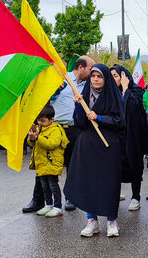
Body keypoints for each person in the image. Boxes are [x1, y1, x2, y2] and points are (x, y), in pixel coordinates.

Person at [22, 56, 94, 213]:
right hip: (52, 128)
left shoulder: (88, 85)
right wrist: (54, 90)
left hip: (74, 129)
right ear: (81, 67)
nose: (92, 73)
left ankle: (70, 198)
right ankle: (38, 200)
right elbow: (43, 97)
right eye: (90, 69)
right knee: (44, 163)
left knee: (72, 164)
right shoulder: (60, 78)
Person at [65, 64, 126, 237]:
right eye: (93, 76)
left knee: (109, 183)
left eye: (100, 76)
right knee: (88, 183)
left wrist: (98, 117)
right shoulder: (84, 96)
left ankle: (111, 220)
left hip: (108, 146)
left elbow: (120, 121)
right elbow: (81, 124)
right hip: (87, 146)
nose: (96, 79)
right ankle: (92, 221)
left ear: (105, 78)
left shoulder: (113, 95)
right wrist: (78, 106)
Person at [110, 65, 148, 212]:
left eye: (115, 76)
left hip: (133, 137)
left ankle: (135, 197)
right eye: (111, 76)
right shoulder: (110, 93)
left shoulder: (136, 92)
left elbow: (132, 109)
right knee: (115, 167)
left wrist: (125, 89)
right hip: (116, 137)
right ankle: (115, 193)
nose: (113, 79)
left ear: (124, 76)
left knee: (134, 167)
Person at [26, 104, 69, 218]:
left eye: (43, 121)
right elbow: (32, 144)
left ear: (52, 119)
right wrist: (31, 138)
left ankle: (57, 207)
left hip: (52, 163)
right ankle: (48, 204)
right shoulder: (39, 128)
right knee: (44, 186)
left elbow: (51, 144)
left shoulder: (56, 129)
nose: (40, 123)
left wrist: (37, 138)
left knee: (53, 185)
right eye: (39, 121)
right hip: (41, 163)